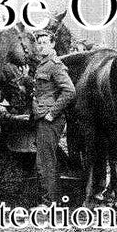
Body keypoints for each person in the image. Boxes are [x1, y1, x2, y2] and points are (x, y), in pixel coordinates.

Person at [30, 29, 75, 205]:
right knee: (46, 160)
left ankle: (48, 203)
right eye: (39, 43)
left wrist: (52, 113)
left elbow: (70, 91)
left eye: (45, 43)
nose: (41, 46)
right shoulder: (43, 64)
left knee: (45, 162)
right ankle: (50, 200)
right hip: (41, 116)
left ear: (53, 44)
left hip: (50, 119)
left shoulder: (55, 65)